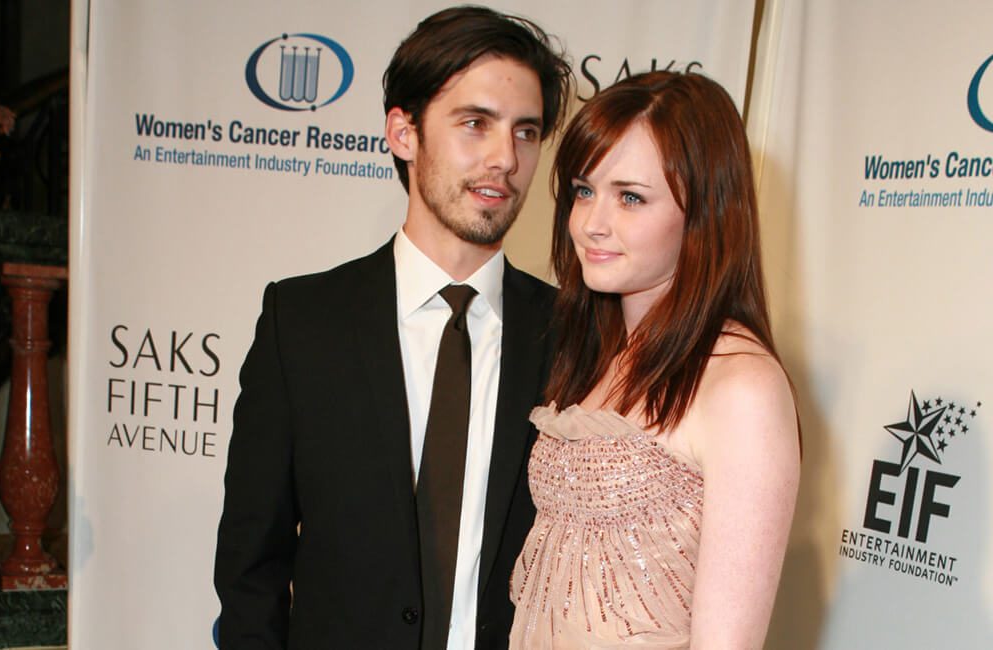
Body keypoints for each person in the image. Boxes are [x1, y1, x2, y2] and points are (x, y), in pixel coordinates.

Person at [214, 6, 571, 650]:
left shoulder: (573, 335)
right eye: (475, 124)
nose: (505, 159)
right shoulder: (301, 324)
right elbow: (250, 569)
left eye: (525, 132)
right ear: (404, 133)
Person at [508, 70, 801, 649]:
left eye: (631, 198)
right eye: (584, 190)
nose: (591, 223)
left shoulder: (742, 387)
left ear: (705, 212)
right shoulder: (598, 350)